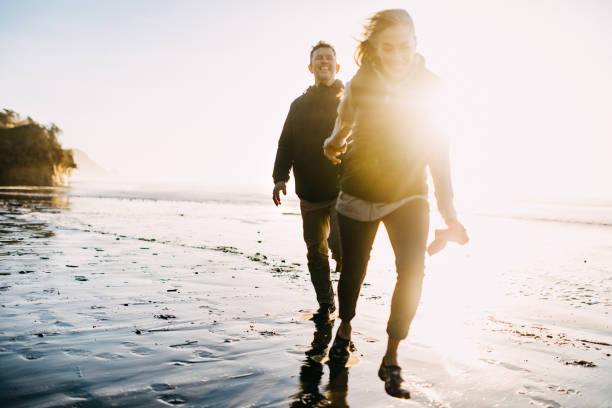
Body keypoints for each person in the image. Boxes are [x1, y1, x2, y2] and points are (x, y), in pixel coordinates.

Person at [322, 9, 468, 399]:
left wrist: (449, 213)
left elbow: (439, 154)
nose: (398, 54)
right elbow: (343, 126)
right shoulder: (360, 83)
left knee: (413, 273)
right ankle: (345, 329)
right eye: (388, 47)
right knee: (352, 273)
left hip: (409, 193)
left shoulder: (431, 87)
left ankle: (391, 357)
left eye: (405, 46)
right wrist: (333, 144)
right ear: (375, 48)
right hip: (358, 191)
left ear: (416, 43)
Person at [272, 41, 344, 319]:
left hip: (342, 187)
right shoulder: (298, 105)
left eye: (329, 58)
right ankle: (326, 305)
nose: (324, 62)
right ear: (311, 67)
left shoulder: (348, 100)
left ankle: (346, 308)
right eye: (319, 59)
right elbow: (285, 144)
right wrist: (280, 178)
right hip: (309, 192)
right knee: (316, 253)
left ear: (336, 66)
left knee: (341, 245)